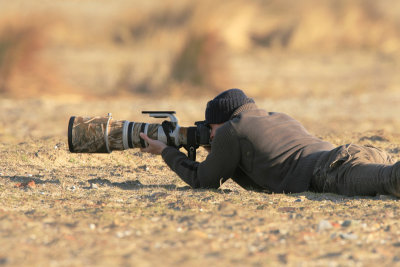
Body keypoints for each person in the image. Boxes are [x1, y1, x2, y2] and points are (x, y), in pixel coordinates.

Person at [139, 88, 400, 197]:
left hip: (333, 170)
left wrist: (165, 151)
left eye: (210, 128)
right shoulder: (276, 117)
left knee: (392, 181)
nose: (210, 135)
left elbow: (203, 181)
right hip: (356, 153)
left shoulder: (232, 130)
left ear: (221, 121)